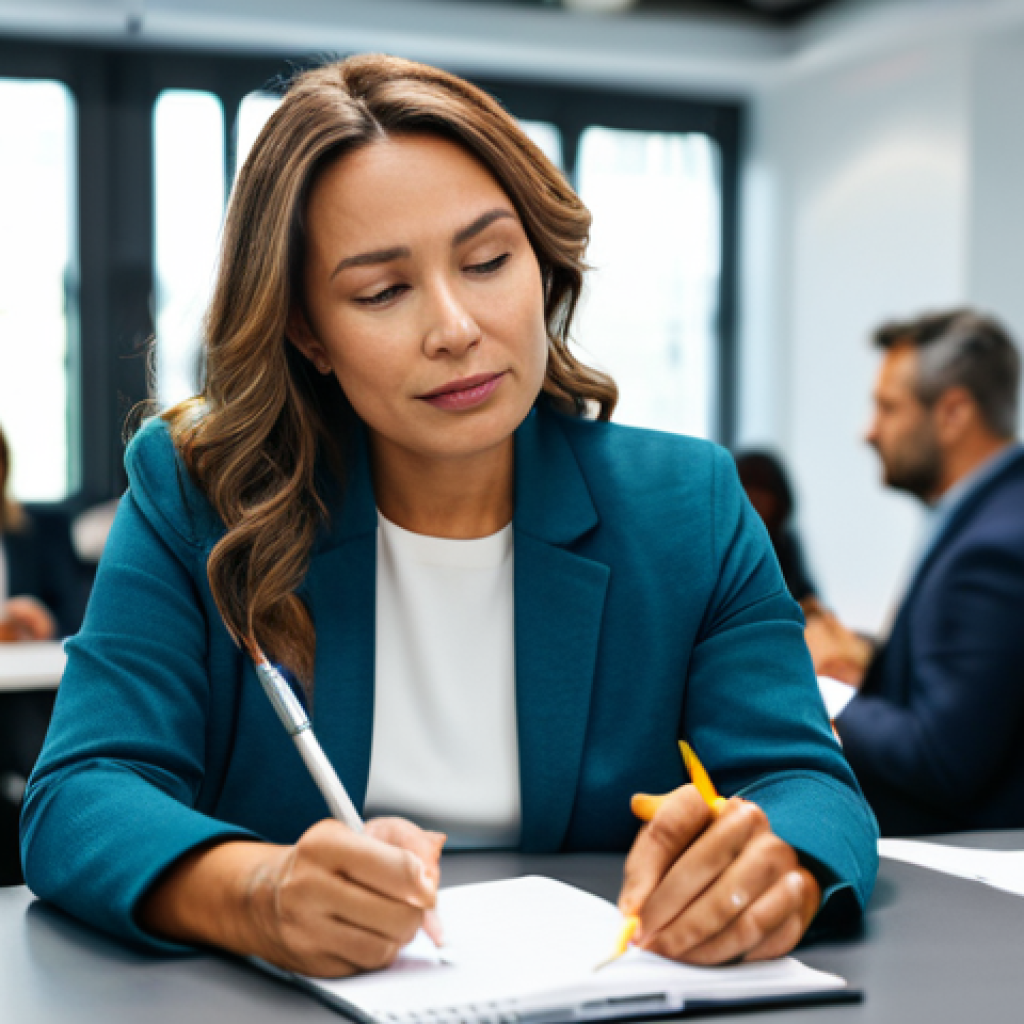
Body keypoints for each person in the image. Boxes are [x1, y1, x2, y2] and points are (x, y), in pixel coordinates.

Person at [22, 56, 877, 976]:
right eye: (382, 291)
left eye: (487, 261)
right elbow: (82, 792)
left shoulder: (689, 508)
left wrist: (768, 862)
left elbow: (806, 786)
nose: (456, 326)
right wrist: (257, 894)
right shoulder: (199, 497)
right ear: (308, 331)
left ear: (540, 260)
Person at [806, 310, 1024, 835]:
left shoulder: (992, 549)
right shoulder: (991, 513)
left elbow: (942, 757)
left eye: (888, 408)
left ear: (953, 413)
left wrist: (820, 687)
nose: (869, 432)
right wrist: (867, 661)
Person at [0, 423, 87, 885]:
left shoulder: (42, 529)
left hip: (28, 690)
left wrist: (42, 619)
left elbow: (79, 614)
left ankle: (44, 816)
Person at [734, 450, 820, 611]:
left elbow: (806, 599)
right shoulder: (720, 551)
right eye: (746, 487)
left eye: (763, 488)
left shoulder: (786, 544)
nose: (754, 499)